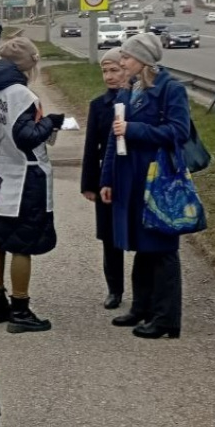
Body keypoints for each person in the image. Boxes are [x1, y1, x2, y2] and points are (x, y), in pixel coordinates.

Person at [100, 33, 190, 339]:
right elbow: (115, 138)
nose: (121, 62)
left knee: (162, 247)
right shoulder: (128, 91)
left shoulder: (170, 89)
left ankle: (166, 318)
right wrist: (107, 179)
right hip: (130, 177)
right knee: (141, 243)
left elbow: (178, 131)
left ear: (143, 59)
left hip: (157, 179)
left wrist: (135, 129)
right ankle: (142, 307)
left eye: (126, 57)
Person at [0, 36, 63, 333]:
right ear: (30, 65)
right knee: (22, 246)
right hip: (23, 176)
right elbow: (26, 137)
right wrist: (51, 122)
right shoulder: (20, 94)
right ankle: (20, 310)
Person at [81, 49, 128, 309]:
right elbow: (91, 147)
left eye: (115, 70)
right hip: (106, 178)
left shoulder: (136, 101)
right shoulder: (99, 105)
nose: (109, 76)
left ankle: (145, 292)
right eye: (105, 71)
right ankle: (114, 289)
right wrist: (89, 184)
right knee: (110, 239)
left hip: (132, 176)